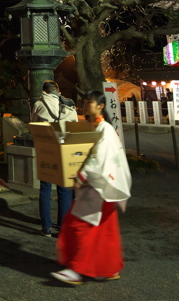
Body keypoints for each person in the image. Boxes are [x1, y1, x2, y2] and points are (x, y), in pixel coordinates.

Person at [52, 90, 132, 286]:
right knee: (103, 231)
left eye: (89, 103)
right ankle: (107, 268)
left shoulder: (104, 129)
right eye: (85, 102)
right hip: (99, 186)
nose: (85, 105)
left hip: (98, 185)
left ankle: (75, 270)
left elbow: (100, 157)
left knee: (80, 225)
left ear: (100, 106)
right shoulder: (92, 127)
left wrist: (81, 175)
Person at [31, 80, 77, 236]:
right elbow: (74, 128)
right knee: (64, 189)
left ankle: (46, 228)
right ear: (58, 91)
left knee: (45, 188)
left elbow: (34, 126)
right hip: (65, 149)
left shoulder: (39, 104)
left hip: (47, 149)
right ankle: (63, 227)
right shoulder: (69, 105)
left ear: (44, 91)